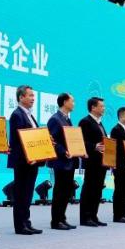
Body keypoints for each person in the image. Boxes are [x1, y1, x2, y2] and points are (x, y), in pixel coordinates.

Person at [7, 85, 44, 235]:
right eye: (30, 95)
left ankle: (26, 222)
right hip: (23, 161)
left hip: (33, 160)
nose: (33, 98)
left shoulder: (29, 115)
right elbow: (19, 140)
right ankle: (20, 225)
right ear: (21, 97)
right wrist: (29, 156)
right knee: (21, 193)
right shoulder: (17, 115)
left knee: (28, 193)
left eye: (33, 96)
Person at [47, 93, 79, 230]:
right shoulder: (55, 119)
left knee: (66, 190)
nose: (74, 103)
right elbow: (52, 141)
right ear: (65, 102)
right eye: (72, 101)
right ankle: (56, 221)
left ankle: (62, 218)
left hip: (69, 161)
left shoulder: (67, 119)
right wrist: (63, 151)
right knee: (60, 191)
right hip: (60, 161)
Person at [78, 97, 108, 227]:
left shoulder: (100, 123)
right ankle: (85, 217)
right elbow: (81, 141)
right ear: (93, 107)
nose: (103, 108)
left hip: (101, 162)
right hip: (91, 161)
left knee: (98, 189)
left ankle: (93, 215)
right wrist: (94, 146)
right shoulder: (85, 122)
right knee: (89, 189)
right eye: (101, 106)